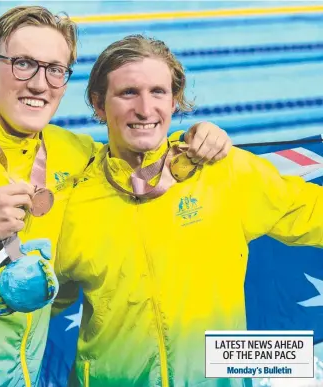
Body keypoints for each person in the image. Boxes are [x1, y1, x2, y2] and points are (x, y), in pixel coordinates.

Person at [0, 6, 232, 387]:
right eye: (23, 64)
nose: (40, 84)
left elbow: (141, 151)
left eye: (55, 70)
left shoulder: (75, 153)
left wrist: (199, 137)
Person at [51, 35, 323, 387]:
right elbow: (41, 300)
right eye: (128, 93)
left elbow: (313, 213)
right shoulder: (74, 199)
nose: (146, 109)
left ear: (175, 100)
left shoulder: (221, 171)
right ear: (98, 104)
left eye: (158, 92)